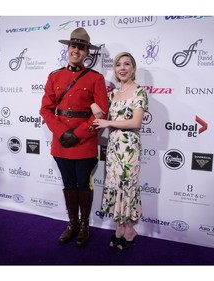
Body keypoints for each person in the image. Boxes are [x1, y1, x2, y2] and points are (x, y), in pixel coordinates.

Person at [39, 27, 108, 247]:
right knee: (68, 184)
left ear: (87, 52)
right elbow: (46, 110)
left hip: (85, 143)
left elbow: (101, 113)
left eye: (81, 47)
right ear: (68, 49)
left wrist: (77, 135)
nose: (76, 51)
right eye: (73, 46)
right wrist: (62, 133)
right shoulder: (54, 76)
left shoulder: (96, 79)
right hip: (61, 143)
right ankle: (72, 224)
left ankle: (85, 225)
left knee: (83, 186)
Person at [93, 52, 148, 250]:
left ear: (133, 68)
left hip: (129, 147)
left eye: (127, 64)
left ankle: (130, 230)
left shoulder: (139, 92)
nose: (122, 68)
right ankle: (119, 228)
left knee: (127, 186)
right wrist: (93, 105)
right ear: (115, 70)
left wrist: (108, 122)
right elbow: (98, 110)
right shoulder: (112, 94)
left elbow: (136, 122)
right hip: (113, 146)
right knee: (115, 185)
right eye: (118, 65)